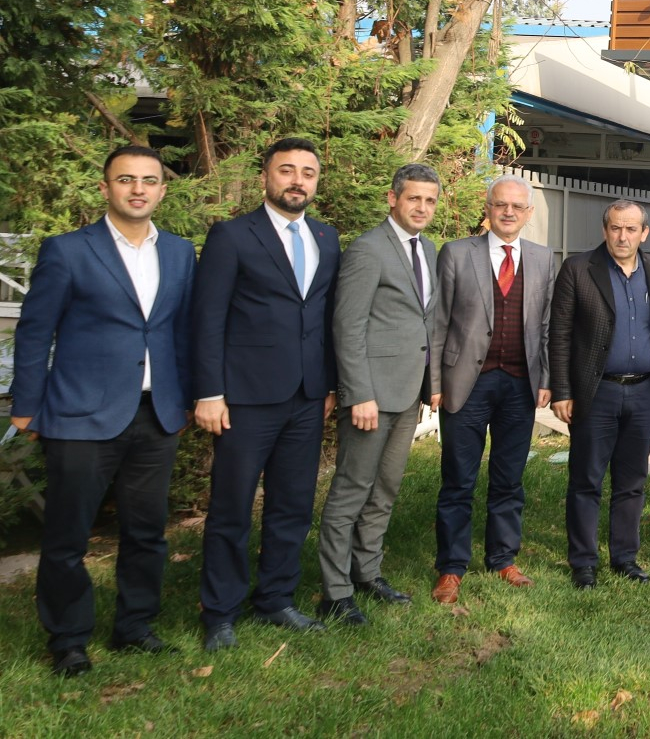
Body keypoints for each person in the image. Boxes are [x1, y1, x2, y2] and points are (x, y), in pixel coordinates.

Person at [12, 145, 196, 675]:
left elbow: (183, 331)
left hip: (157, 414)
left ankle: (134, 626)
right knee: (68, 535)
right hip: (80, 414)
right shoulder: (68, 250)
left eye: (149, 180)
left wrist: (186, 398)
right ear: (106, 188)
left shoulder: (180, 252)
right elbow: (35, 331)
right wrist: (27, 406)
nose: (138, 189)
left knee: (147, 531)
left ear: (162, 190)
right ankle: (68, 639)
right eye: (126, 179)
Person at [194, 137, 340, 650]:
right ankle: (220, 612)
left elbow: (326, 317)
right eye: (287, 170)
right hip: (244, 398)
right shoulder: (232, 236)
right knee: (232, 507)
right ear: (265, 177)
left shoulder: (326, 237)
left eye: (308, 172)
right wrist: (209, 391)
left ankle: (276, 598)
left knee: (293, 505)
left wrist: (329, 384)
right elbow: (207, 319)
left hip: (307, 395)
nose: (298, 180)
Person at [317, 163, 441, 626]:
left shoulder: (427, 249)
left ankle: (366, 572)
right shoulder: (368, 249)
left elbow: (424, 321)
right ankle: (334, 592)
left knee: (385, 488)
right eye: (414, 198)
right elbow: (347, 326)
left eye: (430, 200)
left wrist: (431, 385)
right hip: (370, 396)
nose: (422, 208)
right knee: (352, 490)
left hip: (407, 393)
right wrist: (358, 393)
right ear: (393, 198)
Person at [428, 175, 554, 604]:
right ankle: (451, 567)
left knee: (509, 478)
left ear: (529, 213)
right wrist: (434, 383)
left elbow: (547, 325)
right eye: (500, 204)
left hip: (519, 384)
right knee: (458, 479)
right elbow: (438, 322)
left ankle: (503, 558)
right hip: (466, 383)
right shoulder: (457, 253)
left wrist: (547, 379)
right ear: (488, 208)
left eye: (517, 206)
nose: (508, 212)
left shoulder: (542, 258)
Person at [550, 200, 650, 588]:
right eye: (616, 228)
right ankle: (583, 562)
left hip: (644, 391)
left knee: (632, 480)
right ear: (605, 230)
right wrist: (562, 390)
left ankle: (625, 557)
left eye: (631, 229)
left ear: (644, 233)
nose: (622, 236)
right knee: (587, 479)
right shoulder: (579, 269)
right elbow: (560, 334)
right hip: (597, 391)